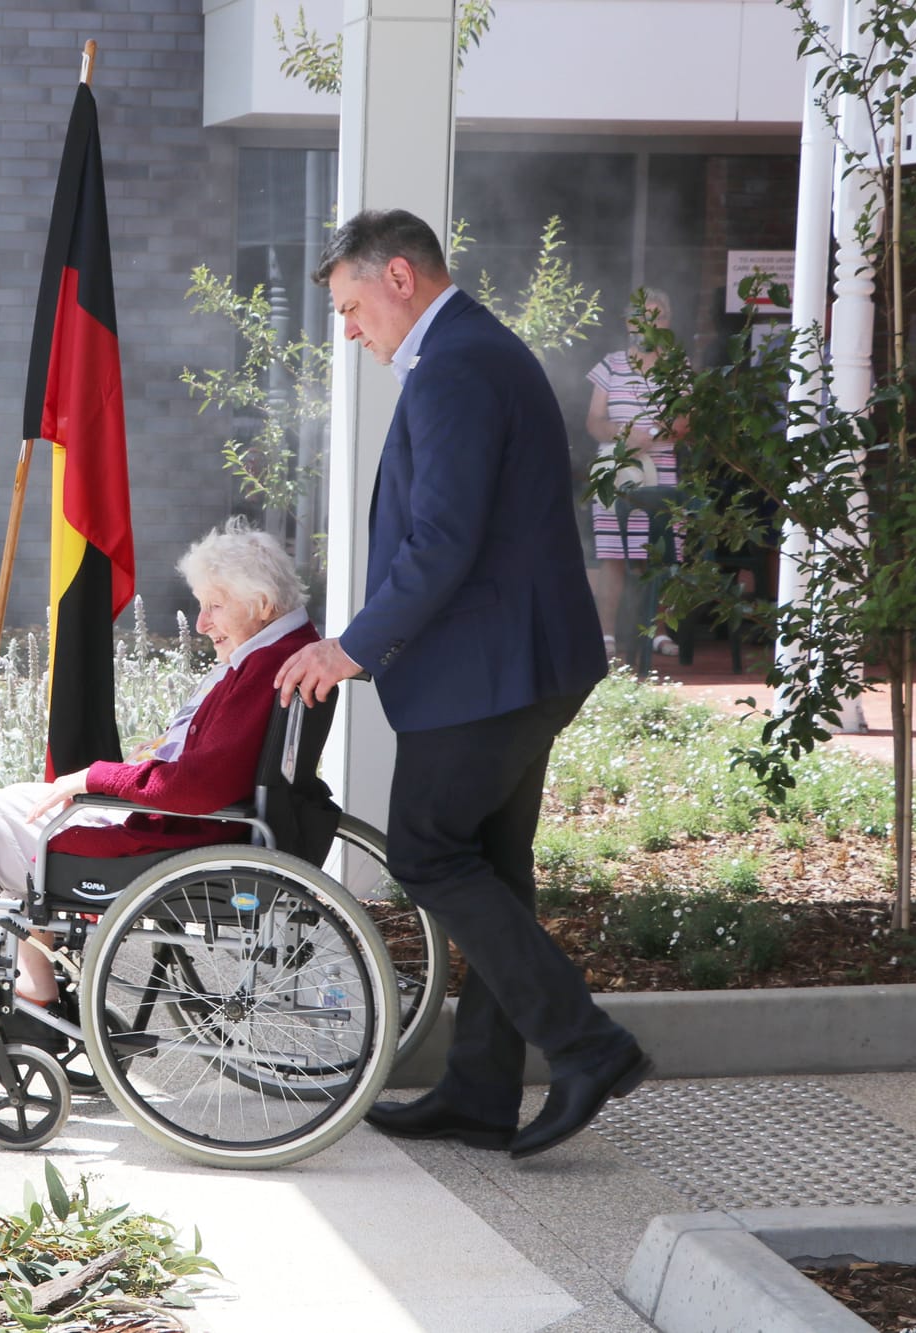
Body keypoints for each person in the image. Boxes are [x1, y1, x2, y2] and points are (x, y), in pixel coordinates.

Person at [274, 209, 647, 1160]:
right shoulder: (470, 352)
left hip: (489, 672)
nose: (348, 330)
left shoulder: (457, 366)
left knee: (430, 851)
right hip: (513, 665)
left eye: (351, 307)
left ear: (400, 277)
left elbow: (443, 541)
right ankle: (481, 1093)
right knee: (494, 867)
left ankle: (588, 1045)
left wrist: (352, 649)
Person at [0, 519, 319, 1063]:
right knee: (6, 817)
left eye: (214, 607)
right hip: (192, 826)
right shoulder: (285, 650)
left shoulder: (263, 667)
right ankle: (33, 1001)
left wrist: (94, 777)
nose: (201, 624)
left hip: (173, 837)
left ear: (261, 604)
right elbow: (205, 770)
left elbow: (192, 788)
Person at [586, 290, 688, 659]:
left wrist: (657, 434)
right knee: (612, 554)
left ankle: (658, 633)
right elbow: (594, 422)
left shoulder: (677, 367)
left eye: (658, 318)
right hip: (616, 473)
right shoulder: (610, 365)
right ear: (629, 323)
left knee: (660, 555)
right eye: (643, 318)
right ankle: (606, 636)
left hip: (661, 474)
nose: (649, 326)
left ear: (668, 324)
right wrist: (624, 435)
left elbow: (684, 421)